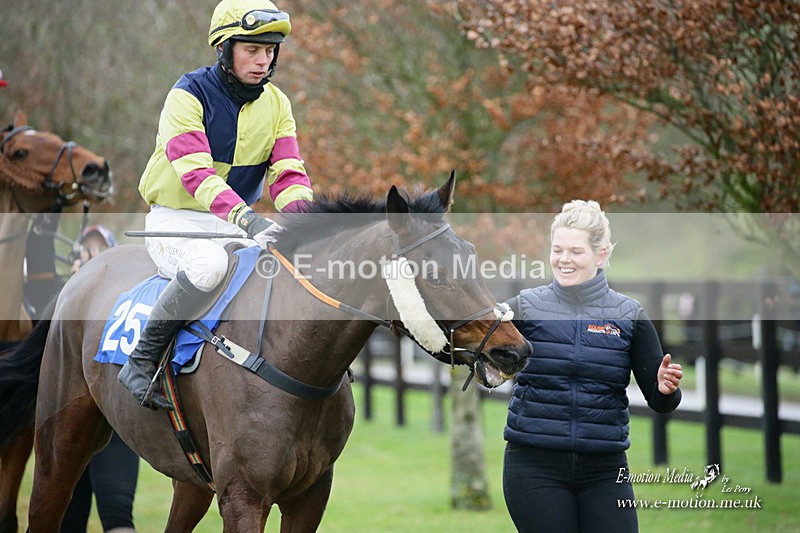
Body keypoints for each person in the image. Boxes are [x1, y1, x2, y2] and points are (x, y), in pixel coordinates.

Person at [118, 0, 314, 410]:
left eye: (270, 50)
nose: (264, 61)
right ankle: (141, 361)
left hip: (235, 224)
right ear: (224, 48)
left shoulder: (277, 104)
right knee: (208, 266)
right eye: (252, 50)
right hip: (177, 220)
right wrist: (246, 217)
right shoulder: (187, 94)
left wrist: (305, 227)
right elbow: (196, 173)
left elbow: (289, 175)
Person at [502, 200, 683, 533]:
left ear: (600, 256)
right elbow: (476, 349)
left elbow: (661, 403)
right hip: (534, 467)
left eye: (575, 251)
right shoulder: (524, 308)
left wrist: (666, 389)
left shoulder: (629, 316)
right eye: (557, 250)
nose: (564, 259)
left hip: (604, 470)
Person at [63, 225, 141, 533]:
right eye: (86, 250)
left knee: (117, 516)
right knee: (67, 519)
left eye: (99, 251)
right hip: (69, 422)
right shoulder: (63, 299)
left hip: (112, 424)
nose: (92, 257)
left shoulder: (123, 299)